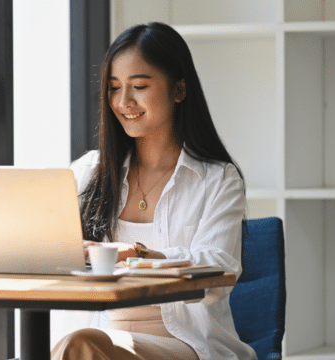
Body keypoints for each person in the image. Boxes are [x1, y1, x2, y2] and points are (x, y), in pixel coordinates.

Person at [51, 22, 258, 360]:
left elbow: (218, 268)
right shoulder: (88, 172)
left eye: (140, 86)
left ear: (179, 90)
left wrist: (138, 256)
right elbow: (46, 251)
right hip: (100, 336)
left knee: (81, 345)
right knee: (81, 343)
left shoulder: (217, 179)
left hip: (188, 345)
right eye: (114, 88)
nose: (124, 101)